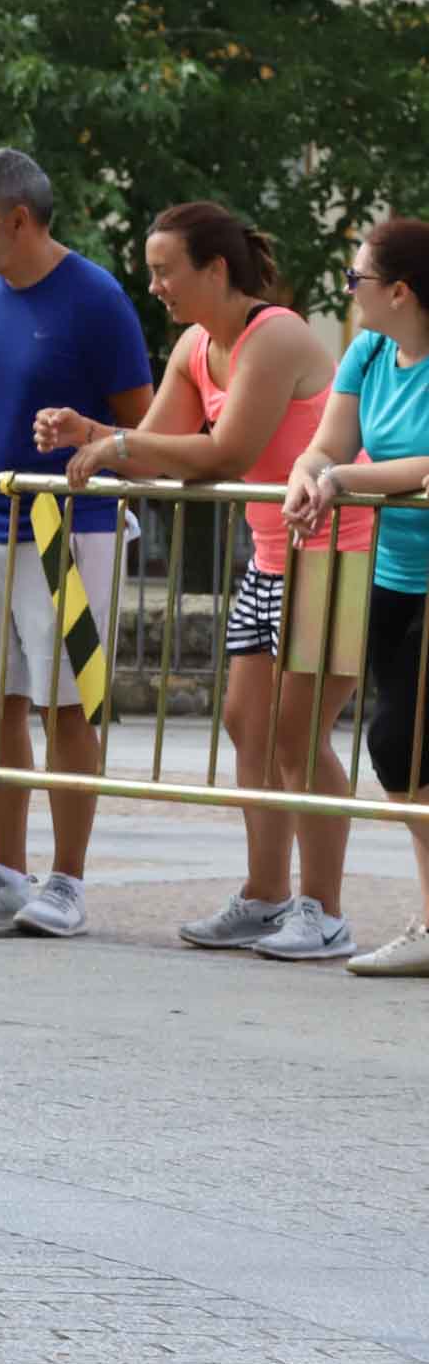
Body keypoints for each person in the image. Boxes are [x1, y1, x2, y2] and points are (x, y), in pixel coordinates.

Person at [39, 203, 371, 961]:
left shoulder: (276, 333)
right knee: (245, 725)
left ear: (215, 271)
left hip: (331, 557)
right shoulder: (196, 343)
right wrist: (91, 434)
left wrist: (115, 441)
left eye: (165, 271)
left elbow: (225, 452)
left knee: (299, 734)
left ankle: (325, 911)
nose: (154, 285)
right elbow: (158, 448)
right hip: (271, 558)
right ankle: (265, 897)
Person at [0, 148, 154, 938]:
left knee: (68, 704)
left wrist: (90, 438)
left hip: (71, 530)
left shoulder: (95, 298)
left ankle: (67, 879)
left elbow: (144, 423)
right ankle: (4, 868)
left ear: (18, 220)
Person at [286, 217, 429, 977]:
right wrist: (309, 473)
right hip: (394, 571)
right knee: (418, 762)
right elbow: (329, 444)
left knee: (394, 745)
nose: (349, 292)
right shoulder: (370, 351)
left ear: (400, 291)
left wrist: (343, 480)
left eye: (356, 280)